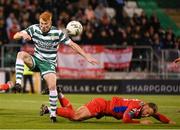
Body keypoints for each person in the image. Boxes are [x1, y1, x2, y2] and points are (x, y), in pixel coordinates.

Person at [13, 11, 99, 122]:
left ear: (50, 22)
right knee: (20, 54)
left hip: (49, 64)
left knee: (53, 86)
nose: (43, 26)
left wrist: (86, 56)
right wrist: (21, 34)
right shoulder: (34, 28)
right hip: (36, 60)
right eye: (41, 24)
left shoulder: (57, 33)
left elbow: (72, 45)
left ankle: (52, 115)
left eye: (46, 24)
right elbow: (15, 35)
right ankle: (18, 84)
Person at [40, 90, 176, 125]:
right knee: (76, 117)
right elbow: (125, 119)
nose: (146, 114)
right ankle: (49, 109)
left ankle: (59, 94)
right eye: (147, 111)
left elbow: (157, 115)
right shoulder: (136, 107)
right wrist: (140, 122)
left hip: (102, 105)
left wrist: (168, 121)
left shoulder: (143, 107)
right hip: (101, 106)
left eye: (148, 114)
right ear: (145, 105)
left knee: (74, 113)